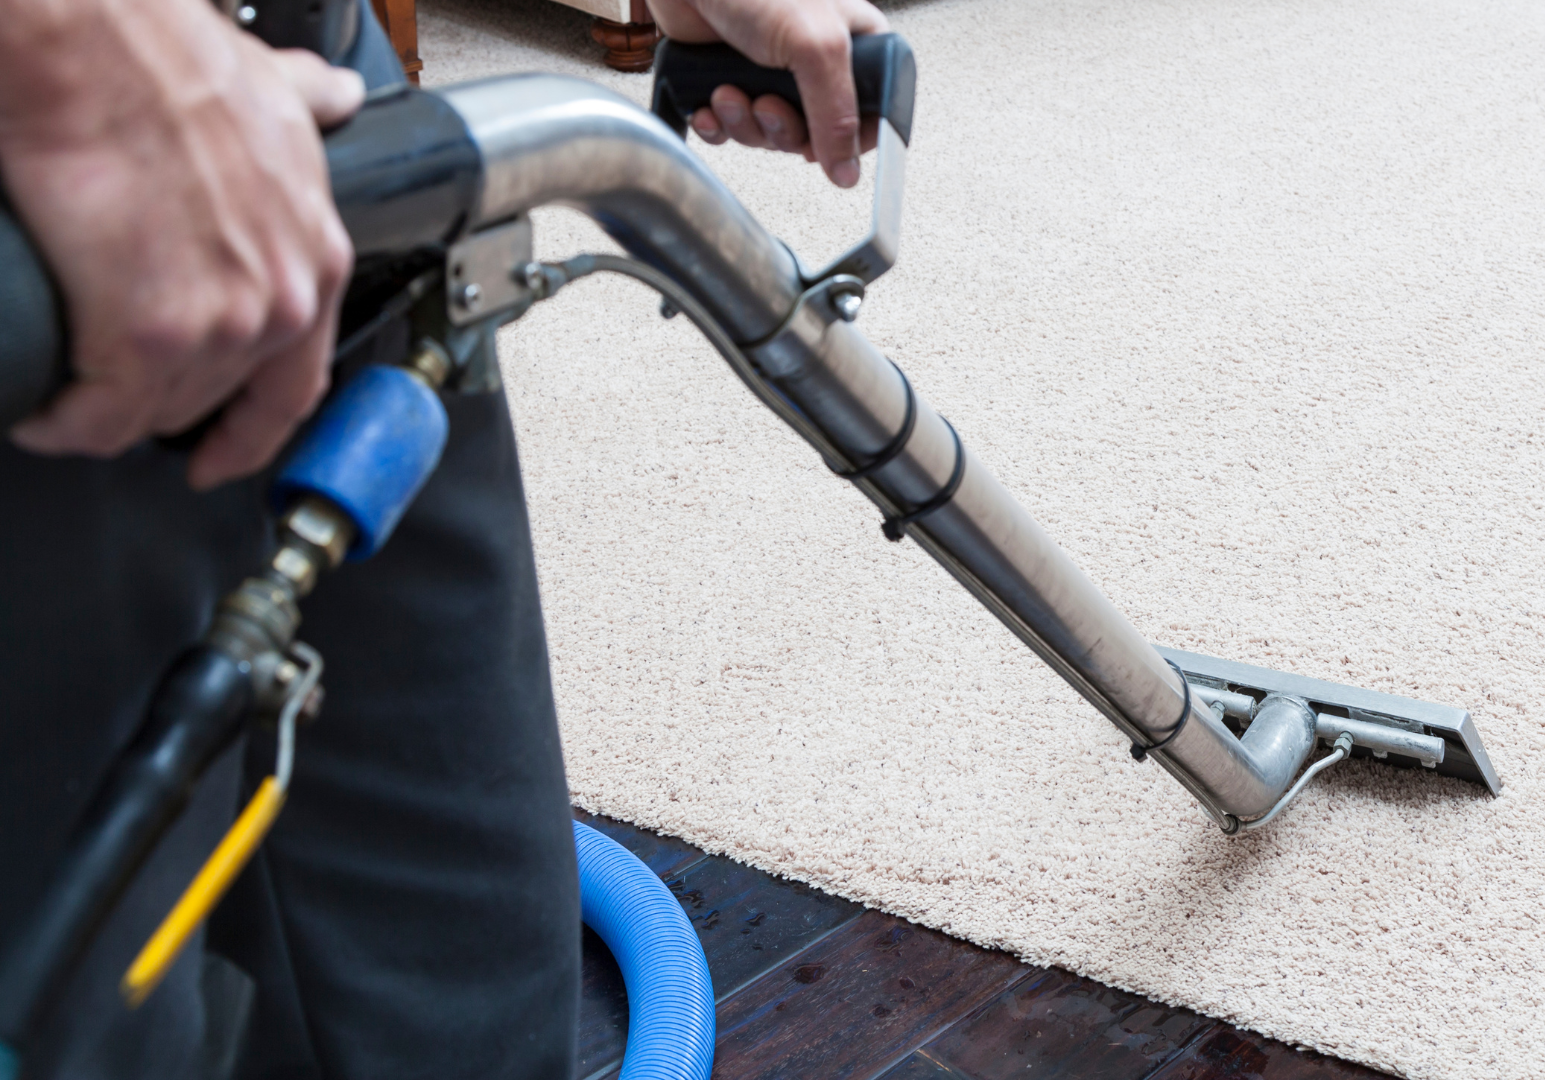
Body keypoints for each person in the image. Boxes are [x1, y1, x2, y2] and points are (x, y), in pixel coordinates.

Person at [0, 0, 884, 1073]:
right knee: (106, 1017)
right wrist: (65, 45)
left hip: (309, 84)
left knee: (473, 952)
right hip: (52, 213)